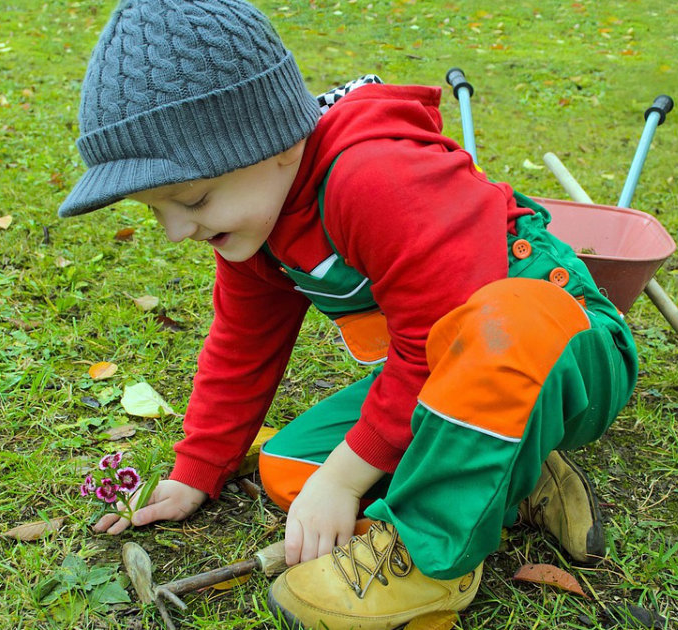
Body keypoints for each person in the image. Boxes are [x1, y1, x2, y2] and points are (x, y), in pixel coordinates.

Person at [61, 1, 637, 627]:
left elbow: (434, 340)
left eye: (192, 198)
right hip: (450, 382)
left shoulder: (374, 177)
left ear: (274, 141)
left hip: (564, 348)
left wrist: (344, 480)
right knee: (292, 470)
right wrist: (197, 470)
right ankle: (517, 473)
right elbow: (240, 349)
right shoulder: (256, 230)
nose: (176, 231)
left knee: (501, 321)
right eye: (155, 211)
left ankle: (427, 564)